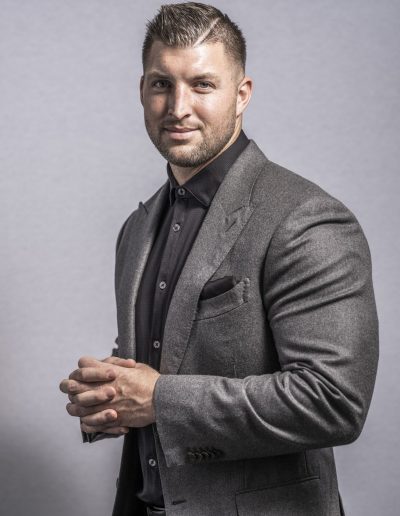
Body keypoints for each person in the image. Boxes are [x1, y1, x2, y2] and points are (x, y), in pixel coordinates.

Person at [59, 3, 379, 515]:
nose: (178, 107)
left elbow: (333, 401)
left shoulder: (305, 218)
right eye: (162, 84)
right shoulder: (137, 228)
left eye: (202, 85)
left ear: (242, 94)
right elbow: (163, 363)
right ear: (141, 91)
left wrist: (159, 400)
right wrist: (109, 399)